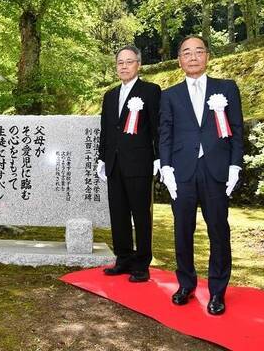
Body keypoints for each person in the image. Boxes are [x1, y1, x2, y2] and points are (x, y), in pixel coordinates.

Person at [159, 35, 244, 315]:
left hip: (215, 169)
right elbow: (165, 134)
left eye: (198, 51)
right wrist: (166, 167)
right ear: (179, 60)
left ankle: (217, 290)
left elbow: (236, 130)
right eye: (186, 53)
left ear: (207, 55)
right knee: (182, 230)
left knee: (218, 230)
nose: (193, 57)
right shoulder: (169, 95)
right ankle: (186, 284)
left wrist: (235, 165)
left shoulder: (226, 88)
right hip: (182, 171)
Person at [97, 45, 161, 283]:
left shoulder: (151, 91)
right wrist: (102, 158)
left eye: (129, 62)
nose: (124, 66)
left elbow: (157, 127)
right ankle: (123, 258)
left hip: (139, 164)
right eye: (120, 63)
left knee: (141, 215)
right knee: (118, 214)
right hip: (114, 164)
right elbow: (106, 130)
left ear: (139, 64)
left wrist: (158, 158)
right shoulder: (110, 95)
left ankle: (142, 264)